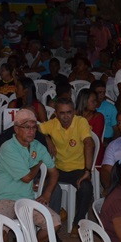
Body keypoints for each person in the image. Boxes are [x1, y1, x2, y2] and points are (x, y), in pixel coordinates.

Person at [0, 108, 60, 242]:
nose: (31, 131)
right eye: (26, 127)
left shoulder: (38, 146)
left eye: (33, 127)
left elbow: (54, 172)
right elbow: (27, 177)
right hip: (1, 198)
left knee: (54, 223)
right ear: (16, 129)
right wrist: (38, 164)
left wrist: (47, 193)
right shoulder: (8, 147)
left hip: (26, 199)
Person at [40, 97, 95, 231]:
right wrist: (47, 138)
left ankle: (77, 223)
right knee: (47, 186)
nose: (66, 116)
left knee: (86, 187)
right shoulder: (52, 124)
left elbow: (89, 143)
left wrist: (88, 171)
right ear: (56, 114)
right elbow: (36, 129)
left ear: (74, 112)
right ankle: (52, 224)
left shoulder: (80, 122)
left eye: (69, 112)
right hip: (59, 169)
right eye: (62, 113)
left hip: (78, 169)